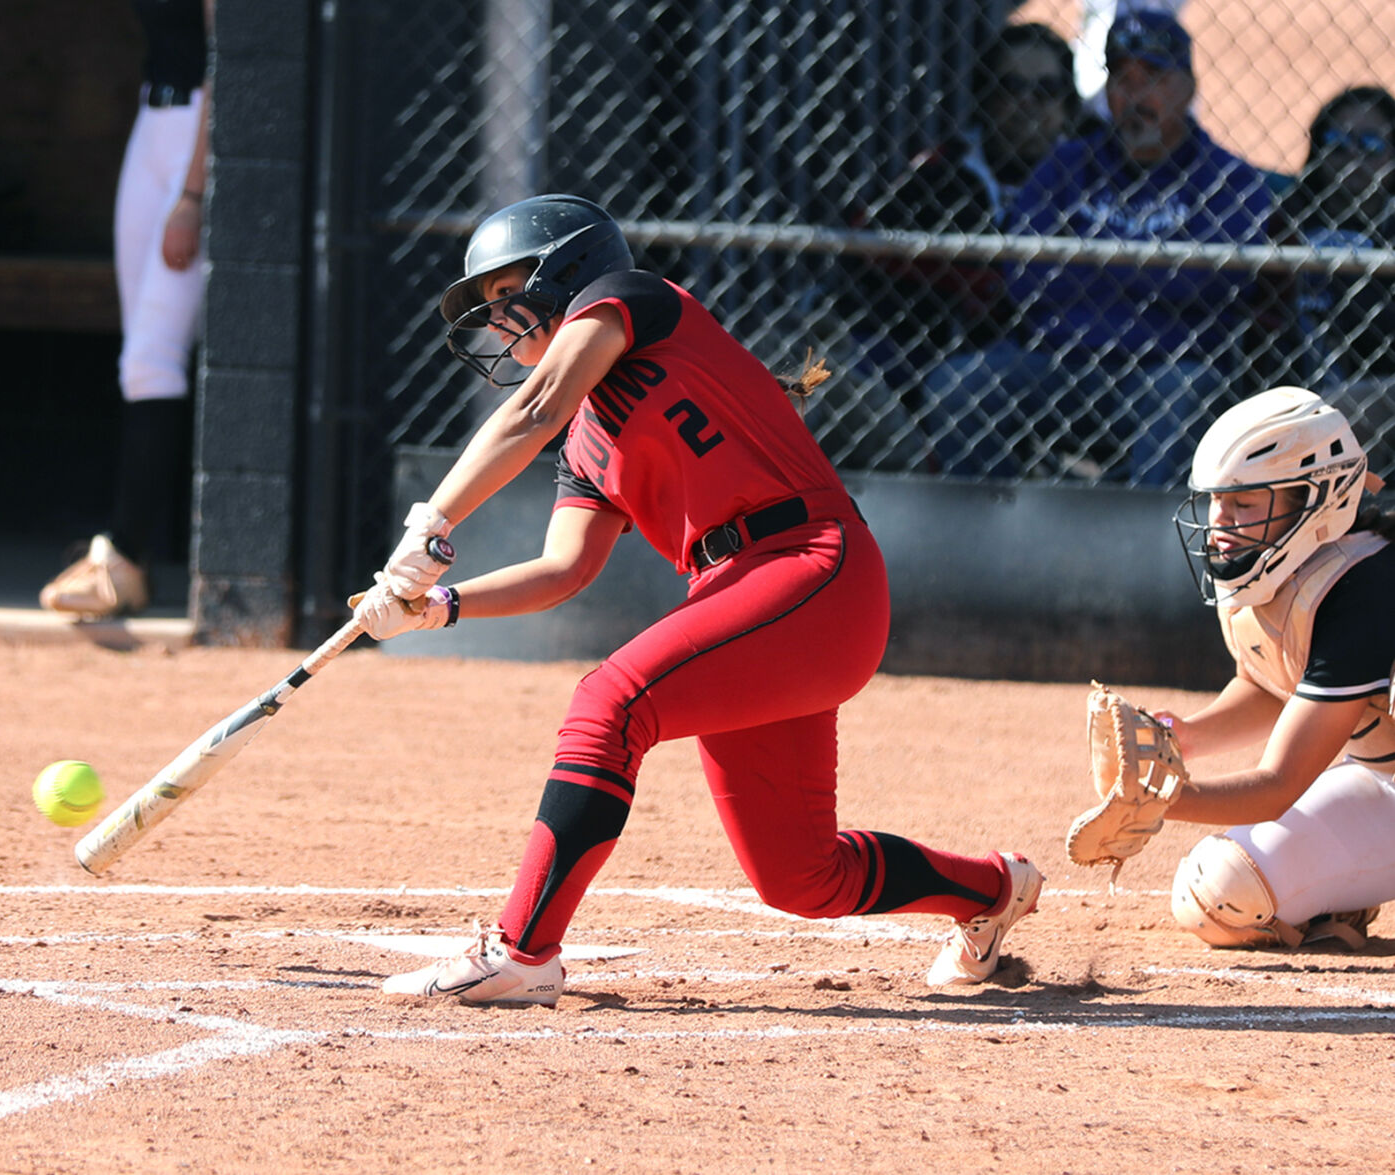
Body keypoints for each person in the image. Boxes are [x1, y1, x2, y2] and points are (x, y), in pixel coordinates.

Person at [348, 193, 1042, 1006]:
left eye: (510, 296)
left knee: (609, 702)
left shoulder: (634, 299)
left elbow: (532, 411)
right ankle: (993, 891)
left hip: (813, 568)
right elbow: (565, 567)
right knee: (799, 875)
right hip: (743, 598)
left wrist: (429, 524)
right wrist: (441, 605)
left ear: (566, 273)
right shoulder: (586, 437)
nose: (501, 323)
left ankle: (523, 950)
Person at [921, 9, 1272, 485]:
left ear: (1187, 89)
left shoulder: (1230, 180)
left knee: (1186, 391)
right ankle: (995, 540)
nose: (1135, 97)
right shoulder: (1067, 164)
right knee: (959, 385)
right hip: (1058, 361)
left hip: (1165, 368)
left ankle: (1148, 546)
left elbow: (1218, 284)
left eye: (1153, 79)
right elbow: (1027, 274)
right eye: (1121, 79)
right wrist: (1157, 273)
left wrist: (1090, 263)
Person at [1150, 386, 1395, 950]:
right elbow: (1273, 683)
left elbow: (1279, 785)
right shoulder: (1296, 573)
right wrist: (1187, 738)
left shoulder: (1363, 585)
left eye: (1244, 504)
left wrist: (1168, 799)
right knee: (1221, 890)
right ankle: (1337, 898)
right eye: (1215, 502)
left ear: (1317, 500)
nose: (1218, 522)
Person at [833, 22, 1081, 473]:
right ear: (986, 98)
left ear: (1066, 106)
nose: (1027, 104)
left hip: (1058, 358)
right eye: (1011, 88)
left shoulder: (1091, 180)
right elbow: (868, 264)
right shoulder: (940, 174)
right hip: (932, 360)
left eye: (1045, 91)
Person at [39, 0, 214, 620]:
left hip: (199, 133)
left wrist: (193, 193)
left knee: (152, 357)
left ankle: (126, 559)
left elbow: (228, 62)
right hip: (152, 124)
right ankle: (130, 545)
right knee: (138, 357)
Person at [1280, 87, 1395, 465]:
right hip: (1294, 380)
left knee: (1345, 411)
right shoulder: (1290, 216)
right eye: (1338, 141)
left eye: (1370, 144)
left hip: (1379, 382)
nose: (1352, 157)